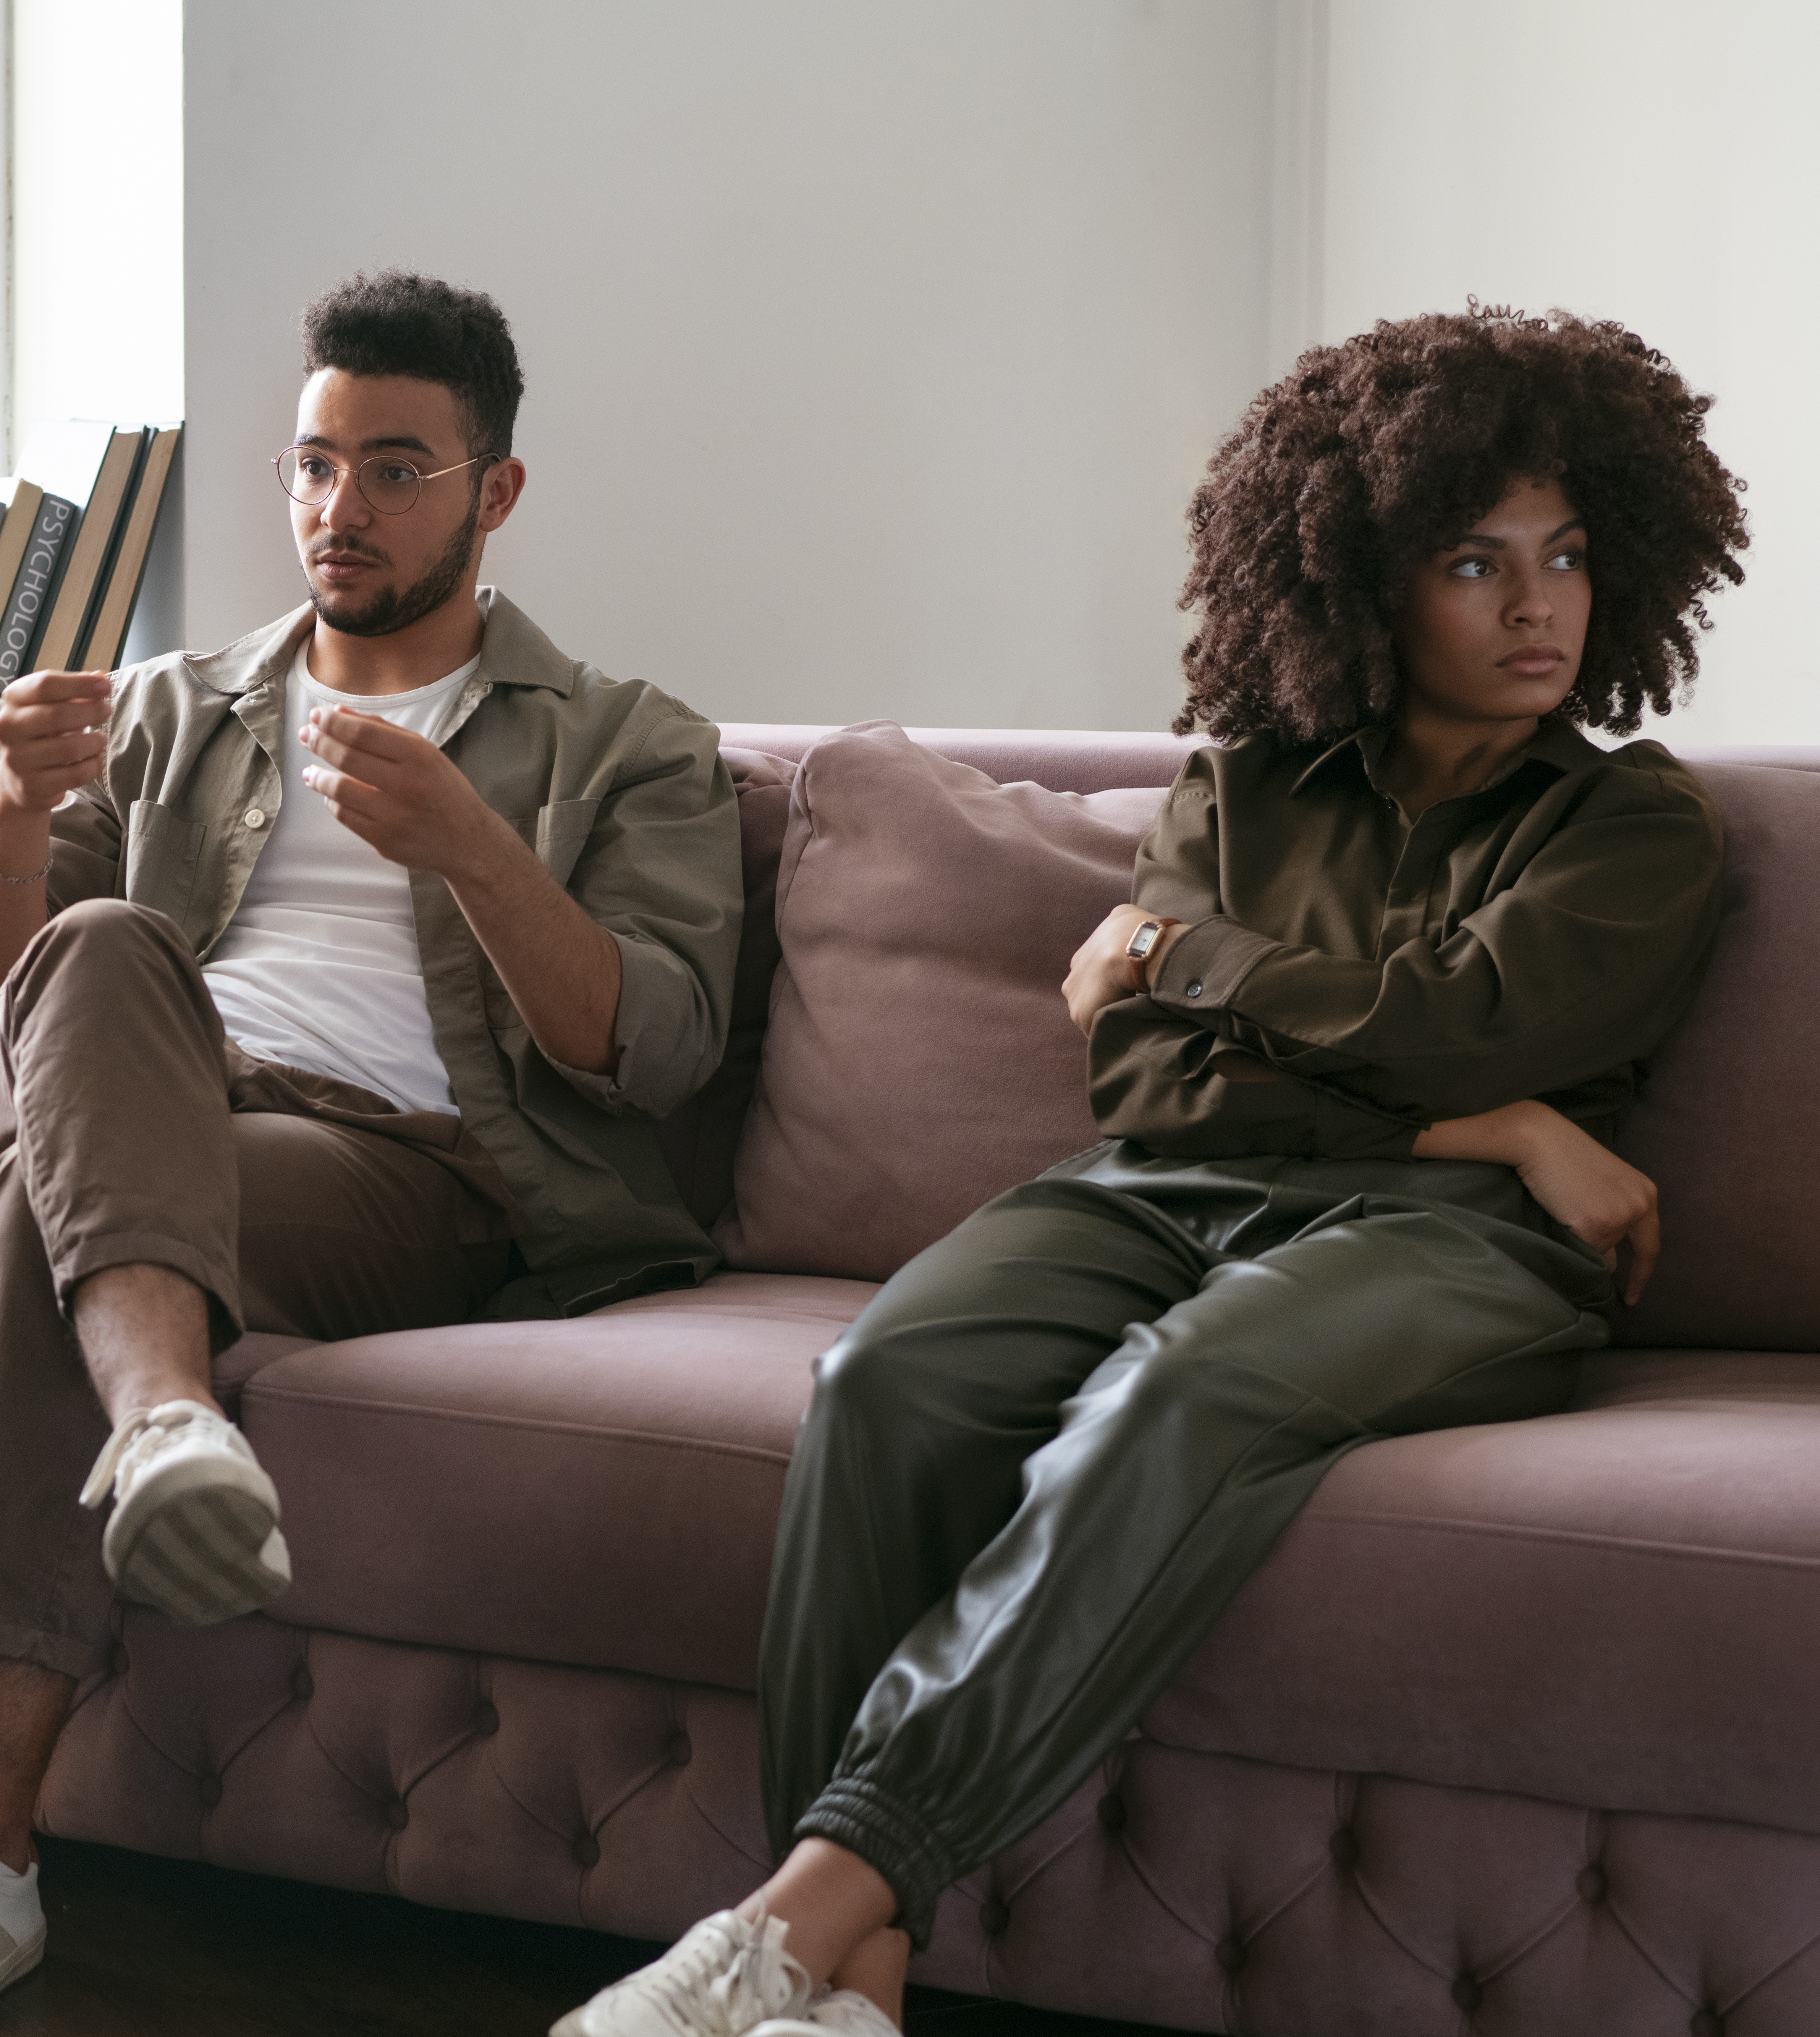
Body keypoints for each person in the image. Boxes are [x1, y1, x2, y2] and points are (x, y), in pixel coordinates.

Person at [557, 304, 1747, 2037]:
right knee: (881, 1373)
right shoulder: (1244, 787)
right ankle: (850, 1982)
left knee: (1180, 1389)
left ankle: (793, 1915)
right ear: (1359, 579)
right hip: (1195, 1185)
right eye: (1474, 561)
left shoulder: (1632, 821)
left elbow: (1460, 1018)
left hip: (1464, 1243)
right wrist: (1486, 1116)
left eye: (1563, 556)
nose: (1536, 602)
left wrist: (1197, 965)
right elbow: (1141, 1079)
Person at [0, 270, 744, 2029]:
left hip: (400, 1170)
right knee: (99, 947)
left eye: (396, 469)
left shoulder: (631, 741)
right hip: (151, 1107)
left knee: (67, 1197)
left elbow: (646, 1049)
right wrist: (9, 813)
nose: (340, 510)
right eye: (315, 465)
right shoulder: (178, 704)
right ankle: (168, 1423)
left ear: (493, 491)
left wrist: (475, 849)